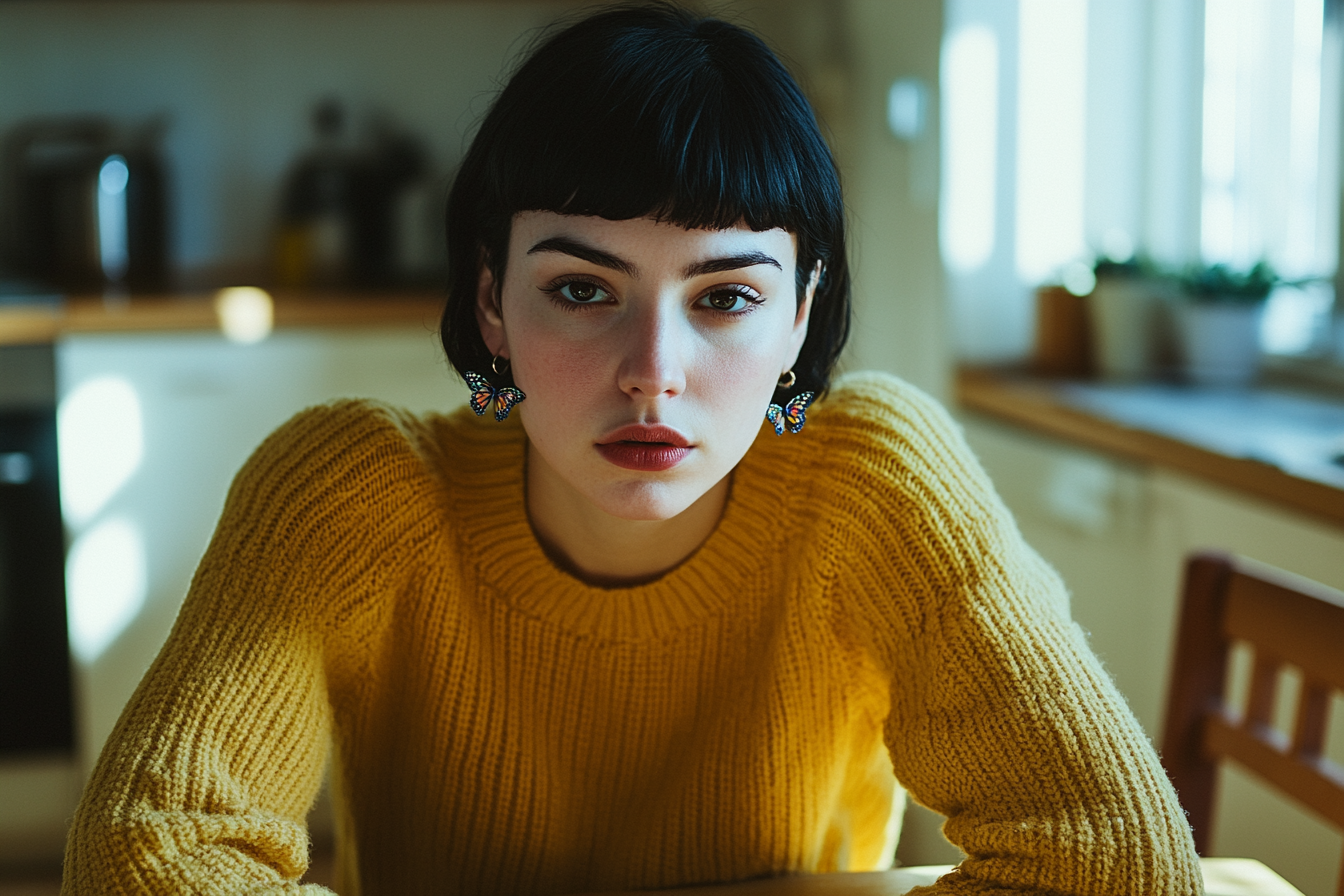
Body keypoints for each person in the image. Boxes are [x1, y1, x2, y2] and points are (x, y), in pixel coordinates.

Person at [62, 5, 1202, 895]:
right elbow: (149, 856)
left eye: (724, 297)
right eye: (580, 287)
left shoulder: (875, 478)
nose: (653, 367)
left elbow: (1117, 863)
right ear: (493, 303)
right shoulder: (353, 488)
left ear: (800, 317)